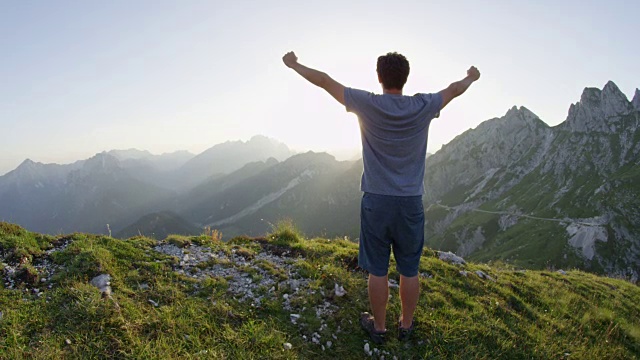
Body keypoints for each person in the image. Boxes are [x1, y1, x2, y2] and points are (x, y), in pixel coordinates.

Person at [282, 51, 480, 343]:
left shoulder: (367, 103)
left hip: (376, 200)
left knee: (377, 269)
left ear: (379, 77)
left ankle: (379, 328)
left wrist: (294, 64)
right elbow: (453, 90)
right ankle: (407, 326)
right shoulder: (422, 105)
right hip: (410, 200)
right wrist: (471, 77)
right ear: (405, 77)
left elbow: (324, 80)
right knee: (409, 268)